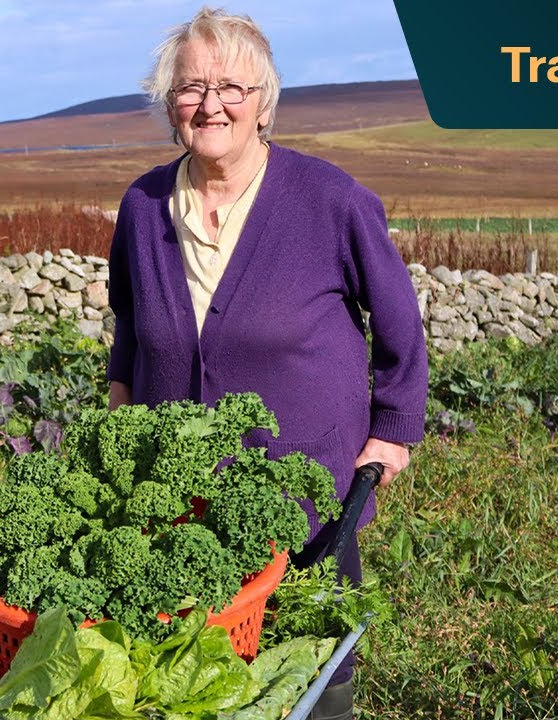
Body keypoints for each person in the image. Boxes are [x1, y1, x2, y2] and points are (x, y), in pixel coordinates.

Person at [105, 7, 428, 719]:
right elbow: (129, 317)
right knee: (192, 682)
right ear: (168, 102)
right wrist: (121, 407)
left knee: (315, 674)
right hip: (179, 503)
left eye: (231, 88)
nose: (210, 105)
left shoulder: (330, 200)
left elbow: (399, 320)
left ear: (263, 103)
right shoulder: (143, 205)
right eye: (191, 88)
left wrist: (394, 429)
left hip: (308, 501)